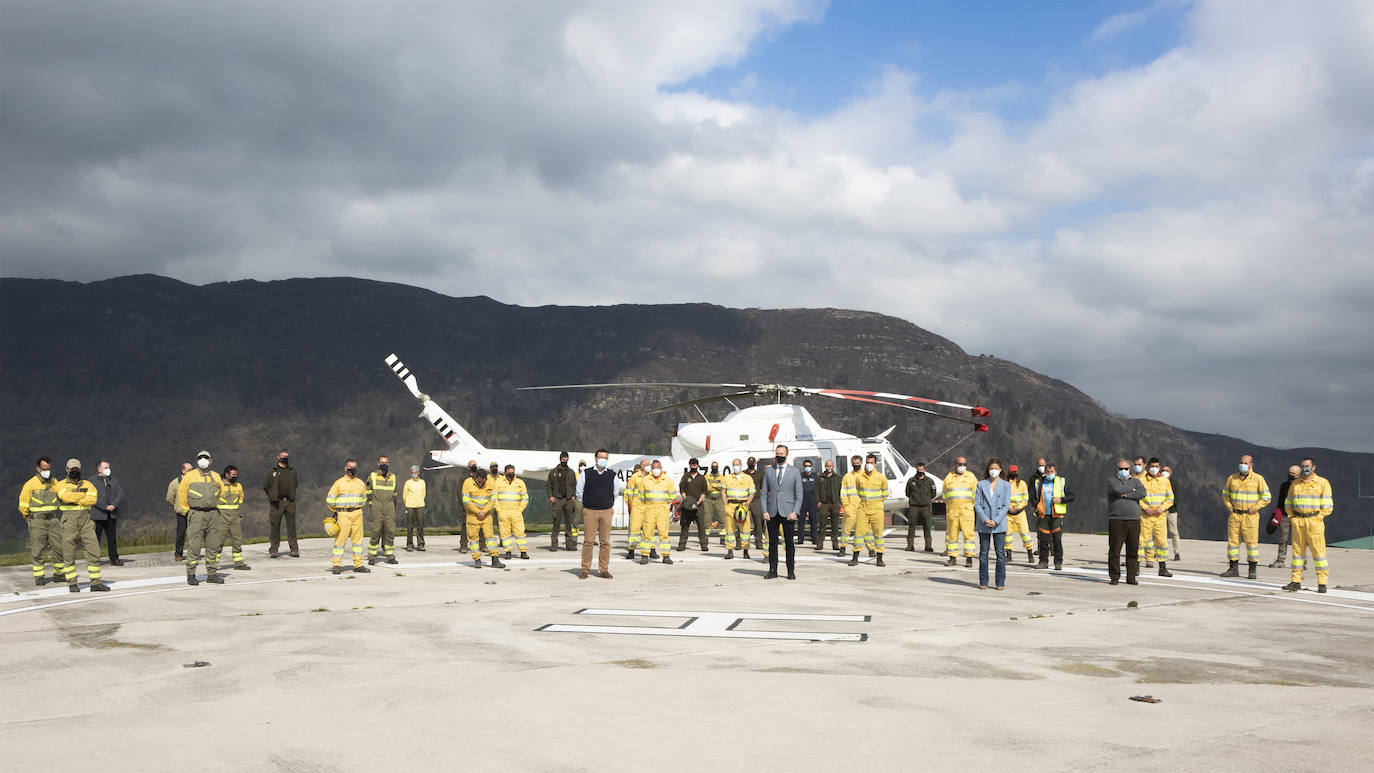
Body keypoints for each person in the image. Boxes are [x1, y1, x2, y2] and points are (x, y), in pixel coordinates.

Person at [57, 459, 108, 592]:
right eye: (72, 469)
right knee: (69, 552)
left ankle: (95, 583)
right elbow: (65, 497)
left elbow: (92, 499)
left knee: (94, 551)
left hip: (86, 520)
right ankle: (72, 583)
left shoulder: (88, 484)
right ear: (67, 469)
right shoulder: (60, 484)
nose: (74, 471)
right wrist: (81, 497)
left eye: (77, 469)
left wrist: (74, 497)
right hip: (69, 521)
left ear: (80, 470)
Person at [1284, 457, 1333, 593]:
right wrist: (1291, 516)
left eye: (1307, 466)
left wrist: (1319, 517)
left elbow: (1328, 504)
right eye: (1303, 466)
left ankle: (1322, 583)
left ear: (1314, 467)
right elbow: (1288, 503)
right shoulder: (1295, 484)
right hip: (1298, 521)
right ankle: (1296, 581)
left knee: (1318, 553)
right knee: (1297, 553)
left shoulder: (1322, 483)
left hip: (1314, 522)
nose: (1305, 468)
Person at [1219, 454, 1270, 579]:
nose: (1243, 465)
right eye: (1242, 462)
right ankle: (1233, 568)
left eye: (1246, 463)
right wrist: (1228, 505)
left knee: (1251, 543)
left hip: (1250, 516)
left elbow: (1266, 497)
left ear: (1251, 465)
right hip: (1235, 515)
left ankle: (1252, 569)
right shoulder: (1232, 478)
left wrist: (1256, 507)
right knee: (1233, 543)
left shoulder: (1258, 479)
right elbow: (1225, 495)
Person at [178, 451, 225, 586]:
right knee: (194, 545)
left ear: (211, 460)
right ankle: (191, 574)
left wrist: (218, 507)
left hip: (213, 514)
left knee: (213, 545)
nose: (203, 460)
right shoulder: (190, 476)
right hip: (196, 514)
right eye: (200, 458)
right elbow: (182, 493)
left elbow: (222, 492)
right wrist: (187, 510)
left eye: (206, 457)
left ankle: (212, 574)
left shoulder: (216, 476)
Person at [575, 450, 623, 579]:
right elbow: (579, 491)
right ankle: (585, 569)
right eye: (601, 457)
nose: (603, 460)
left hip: (606, 511)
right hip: (590, 511)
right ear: (595, 458)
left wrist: (607, 503)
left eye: (605, 458)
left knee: (605, 542)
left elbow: (615, 493)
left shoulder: (612, 475)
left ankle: (604, 570)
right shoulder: (586, 473)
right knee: (588, 541)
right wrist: (588, 503)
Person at [18, 456, 65, 586]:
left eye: (48, 469)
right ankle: (39, 576)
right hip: (37, 521)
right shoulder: (31, 484)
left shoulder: (54, 482)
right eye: (44, 469)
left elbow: (62, 495)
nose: (47, 471)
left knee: (58, 547)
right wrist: (28, 518)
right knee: (37, 549)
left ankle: (59, 574)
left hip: (53, 519)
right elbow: (23, 504)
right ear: (38, 469)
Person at [761, 444, 803, 579]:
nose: (779, 455)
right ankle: (773, 570)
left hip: (788, 512)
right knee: (772, 543)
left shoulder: (795, 471)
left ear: (787, 455)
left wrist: (795, 511)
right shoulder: (769, 471)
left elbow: (799, 494)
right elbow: (763, 493)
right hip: (772, 512)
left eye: (781, 453)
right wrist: (764, 510)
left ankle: (790, 570)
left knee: (789, 543)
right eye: (777, 453)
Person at [326, 459, 371, 575]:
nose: (353, 469)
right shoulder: (339, 483)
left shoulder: (360, 483)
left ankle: (358, 565)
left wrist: (356, 508)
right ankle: (336, 564)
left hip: (357, 513)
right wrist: (337, 511)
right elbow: (329, 500)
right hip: (343, 514)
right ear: (345, 468)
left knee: (358, 541)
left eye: (355, 467)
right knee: (340, 539)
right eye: (351, 467)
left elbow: (364, 500)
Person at [1107, 459, 1147, 585]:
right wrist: (1132, 491)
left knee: (1133, 550)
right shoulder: (1111, 480)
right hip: (1117, 519)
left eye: (1126, 469)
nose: (1123, 471)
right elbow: (1117, 489)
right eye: (1121, 468)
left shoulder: (1136, 481)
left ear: (1129, 469)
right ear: (1116, 469)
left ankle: (1131, 577)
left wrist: (1126, 494)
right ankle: (1114, 577)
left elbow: (1142, 492)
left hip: (1134, 519)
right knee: (1115, 550)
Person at [974, 458, 1011, 590]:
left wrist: (996, 520)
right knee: (983, 553)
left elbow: (1006, 505)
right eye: (991, 468)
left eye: (995, 468)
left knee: (1000, 553)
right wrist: (985, 519)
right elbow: (977, 503)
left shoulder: (1006, 485)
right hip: (983, 524)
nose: (993, 471)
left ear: (1000, 470)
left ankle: (1000, 582)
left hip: (999, 524)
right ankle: (983, 581)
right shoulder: (981, 484)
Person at [847, 453, 889, 567]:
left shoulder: (881, 477)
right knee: (859, 533)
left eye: (871, 463)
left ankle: (879, 558)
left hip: (877, 508)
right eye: (868, 462)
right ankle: (855, 557)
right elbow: (858, 490)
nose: (869, 465)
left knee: (878, 534)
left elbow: (885, 494)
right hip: (863, 508)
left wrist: (876, 502)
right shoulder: (859, 477)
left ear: (875, 464)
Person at [1034, 462, 1075, 570]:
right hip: (1043, 515)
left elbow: (1072, 496)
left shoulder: (1062, 482)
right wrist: (1037, 506)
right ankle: (1043, 561)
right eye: (1047, 472)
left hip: (1057, 515)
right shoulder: (1039, 483)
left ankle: (1058, 562)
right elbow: (1032, 497)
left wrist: (1061, 500)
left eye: (1051, 472)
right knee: (1043, 541)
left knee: (1057, 540)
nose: (1049, 473)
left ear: (1055, 472)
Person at [1139, 458, 1175, 577]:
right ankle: (1136, 566)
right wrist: (1145, 508)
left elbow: (1170, 498)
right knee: (1141, 541)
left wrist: (1162, 508)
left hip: (1160, 516)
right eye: (1152, 466)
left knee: (1162, 542)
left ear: (1159, 467)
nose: (1154, 468)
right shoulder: (1141, 480)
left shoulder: (1165, 481)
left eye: (1156, 466)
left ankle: (1162, 567)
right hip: (1146, 516)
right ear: (1148, 467)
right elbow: (1137, 497)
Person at [462, 467, 503, 568]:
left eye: (484, 480)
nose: (482, 482)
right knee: (473, 539)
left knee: (490, 538)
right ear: (476, 478)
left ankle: (495, 559)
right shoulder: (467, 483)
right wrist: (477, 512)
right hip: (472, 516)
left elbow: (493, 499)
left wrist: (484, 511)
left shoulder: (491, 482)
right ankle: (477, 559)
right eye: (480, 480)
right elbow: (466, 501)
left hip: (486, 515)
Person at [637, 460, 676, 565]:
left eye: (657, 467)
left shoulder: (668, 481)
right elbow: (641, 496)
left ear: (661, 468)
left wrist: (664, 503)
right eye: (654, 467)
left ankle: (666, 556)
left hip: (663, 510)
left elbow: (672, 495)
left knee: (663, 534)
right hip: (649, 509)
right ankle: (644, 555)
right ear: (651, 468)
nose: (656, 470)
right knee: (646, 533)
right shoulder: (645, 480)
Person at [262, 449, 299, 558]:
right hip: (276, 503)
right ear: (278, 457)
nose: (285, 459)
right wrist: (272, 496)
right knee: (275, 526)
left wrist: (291, 494)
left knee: (292, 527)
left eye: (286, 456)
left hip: (290, 502)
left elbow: (295, 484)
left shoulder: (292, 471)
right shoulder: (273, 471)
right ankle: (273, 550)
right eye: (283, 456)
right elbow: (265, 486)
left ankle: (294, 549)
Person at [942, 456, 978, 568]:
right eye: (960, 464)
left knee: (968, 535)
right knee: (952, 536)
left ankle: (969, 558)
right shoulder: (949, 478)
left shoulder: (971, 477)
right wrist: (950, 508)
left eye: (964, 464)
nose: (962, 466)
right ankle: (952, 558)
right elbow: (945, 496)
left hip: (967, 512)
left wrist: (971, 507)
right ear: (955, 464)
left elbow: (977, 494)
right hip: (953, 512)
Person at [214, 465, 251, 571]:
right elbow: (214, 499)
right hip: (222, 518)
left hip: (235, 517)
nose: (235, 476)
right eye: (233, 475)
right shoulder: (219, 485)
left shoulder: (238, 486)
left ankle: (238, 563)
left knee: (237, 540)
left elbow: (241, 499)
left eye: (236, 475)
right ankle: (213, 565)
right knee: (219, 541)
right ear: (226, 474)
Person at [90, 459, 126, 566]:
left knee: (112, 538)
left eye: (108, 467)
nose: (108, 470)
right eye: (105, 468)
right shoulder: (91, 481)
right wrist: (105, 506)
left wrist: (113, 505)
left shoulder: (113, 480)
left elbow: (120, 493)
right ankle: (94, 560)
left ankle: (114, 558)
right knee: (95, 538)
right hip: (98, 515)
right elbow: (92, 497)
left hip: (112, 514)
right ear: (99, 469)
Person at [365, 456, 399, 566]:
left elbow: (395, 494)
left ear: (388, 463)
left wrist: (393, 507)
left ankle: (390, 556)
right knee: (375, 532)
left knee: (390, 532)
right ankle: (371, 556)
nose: (384, 464)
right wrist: (372, 505)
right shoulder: (373, 476)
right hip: (377, 506)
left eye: (386, 462)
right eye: (381, 462)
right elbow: (368, 492)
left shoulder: (393, 477)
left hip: (389, 507)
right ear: (378, 464)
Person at [721, 458, 755, 560]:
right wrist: (725, 504)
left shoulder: (748, 478)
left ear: (741, 465)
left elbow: (752, 492)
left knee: (745, 530)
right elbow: (723, 491)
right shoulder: (727, 477)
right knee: (730, 530)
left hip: (742, 505)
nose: (735, 466)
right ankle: (730, 551)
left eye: (737, 464)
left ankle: (746, 551)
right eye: (733, 464)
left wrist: (747, 504)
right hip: (731, 505)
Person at [494, 464, 530, 559]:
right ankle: (508, 551)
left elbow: (525, 497)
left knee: (520, 533)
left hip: (516, 512)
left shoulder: (520, 482)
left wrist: (520, 509)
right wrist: (499, 510)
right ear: (505, 472)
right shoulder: (498, 482)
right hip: (503, 512)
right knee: (505, 534)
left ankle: (523, 551)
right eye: (509, 472)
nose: (511, 474)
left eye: (513, 472)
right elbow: (494, 498)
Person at [1268, 465, 1300, 568]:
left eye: (1293, 474)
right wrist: (1278, 514)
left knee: (1299, 541)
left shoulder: (1303, 486)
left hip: (1298, 517)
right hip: (1285, 516)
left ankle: (1301, 562)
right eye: (1289, 473)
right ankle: (1280, 560)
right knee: (1283, 539)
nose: (1290, 475)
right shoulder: (1284, 485)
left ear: (1299, 475)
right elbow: (1280, 502)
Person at [547, 451, 578, 551]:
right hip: (558, 500)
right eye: (563, 458)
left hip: (568, 499)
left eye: (566, 458)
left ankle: (569, 545)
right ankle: (554, 544)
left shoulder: (571, 472)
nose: (564, 459)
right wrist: (550, 496)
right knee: (556, 522)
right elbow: (549, 485)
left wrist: (573, 495)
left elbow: (574, 485)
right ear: (560, 458)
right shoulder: (553, 472)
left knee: (569, 523)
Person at [1004, 464, 1034, 563]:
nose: (1013, 474)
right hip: (1008, 513)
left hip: (1020, 513)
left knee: (1025, 533)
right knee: (1007, 535)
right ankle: (1008, 554)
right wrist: (1008, 507)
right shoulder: (1005, 484)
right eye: (1012, 472)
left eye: (1015, 472)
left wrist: (1018, 507)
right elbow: (1002, 498)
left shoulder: (1022, 484)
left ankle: (1030, 553)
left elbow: (1025, 499)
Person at [677, 459, 709, 552]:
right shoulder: (685, 476)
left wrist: (699, 501)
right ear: (689, 465)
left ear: (697, 466)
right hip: (687, 505)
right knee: (685, 525)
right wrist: (686, 500)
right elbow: (682, 489)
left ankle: (704, 544)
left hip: (699, 505)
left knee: (701, 526)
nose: (693, 466)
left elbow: (704, 491)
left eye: (695, 465)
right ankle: (682, 544)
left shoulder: (701, 477)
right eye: (692, 465)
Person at [905, 461, 937, 552]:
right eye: (918, 470)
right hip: (914, 506)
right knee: (911, 525)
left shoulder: (929, 481)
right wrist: (914, 499)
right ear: (916, 470)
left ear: (924, 469)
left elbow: (933, 493)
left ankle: (928, 546)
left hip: (925, 506)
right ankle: (910, 545)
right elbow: (907, 492)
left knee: (927, 526)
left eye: (921, 470)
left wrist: (926, 499)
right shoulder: (911, 480)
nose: (920, 471)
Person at [815, 459, 844, 552]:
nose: (829, 467)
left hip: (835, 503)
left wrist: (839, 502)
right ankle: (820, 543)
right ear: (825, 466)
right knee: (822, 524)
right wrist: (818, 501)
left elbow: (841, 490)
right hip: (824, 503)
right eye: (827, 465)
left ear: (833, 466)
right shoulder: (820, 477)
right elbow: (816, 490)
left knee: (835, 524)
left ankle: (835, 543)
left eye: (830, 465)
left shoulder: (838, 477)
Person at [624, 458, 649, 559]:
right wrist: (630, 504)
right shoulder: (635, 477)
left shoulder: (652, 477)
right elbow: (629, 491)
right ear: (642, 465)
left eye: (649, 464)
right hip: (637, 507)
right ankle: (631, 550)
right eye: (647, 464)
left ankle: (651, 550)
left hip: (648, 507)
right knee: (634, 530)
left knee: (648, 530)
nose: (649, 466)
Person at [838, 455, 863, 557]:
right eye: (854, 463)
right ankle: (843, 548)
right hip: (850, 507)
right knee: (846, 530)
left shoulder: (865, 475)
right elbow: (843, 492)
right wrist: (846, 505)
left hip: (862, 507)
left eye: (858, 463)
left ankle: (871, 548)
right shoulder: (847, 476)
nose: (856, 465)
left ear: (861, 463)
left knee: (865, 530)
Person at [167, 461, 191, 561]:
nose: (191, 471)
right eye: (189, 470)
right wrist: (177, 506)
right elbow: (169, 498)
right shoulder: (174, 483)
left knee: (193, 535)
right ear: (183, 470)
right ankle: (178, 554)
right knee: (180, 534)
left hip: (193, 512)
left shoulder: (194, 482)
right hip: (181, 513)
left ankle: (192, 555)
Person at [403, 465, 427, 552]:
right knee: (410, 527)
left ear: (418, 472)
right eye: (412, 473)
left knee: (420, 526)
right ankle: (409, 544)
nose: (414, 474)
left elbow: (424, 493)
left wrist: (420, 501)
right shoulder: (408, 483)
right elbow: (404, 495)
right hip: (410, 506)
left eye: (415, 472)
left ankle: (420, 544)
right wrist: (407, 504)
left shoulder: (422, 482)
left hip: (420, 506)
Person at [703, 461, 726, 547]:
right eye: (713, 466)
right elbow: (707, 487)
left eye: (716, 466)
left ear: (718, 467)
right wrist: (717, 485)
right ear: (711, 467)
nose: (714, 468)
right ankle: (706, 537)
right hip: (708, 499)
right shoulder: (706, 477)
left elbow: (723, 486)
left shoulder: (722, 477)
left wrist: (712, 485)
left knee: (722, 518)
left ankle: (722, 537)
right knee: (707, 518)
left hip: (719, 499)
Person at [1162, 464, 1182, 561]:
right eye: (1163, 470)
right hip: (1160, 511)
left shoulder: (1174, 482)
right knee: (1159, 532)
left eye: (1166, 470)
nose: (1164, 472)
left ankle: (1177, 552)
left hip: (1171, 511)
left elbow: (1176, 498)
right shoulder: (1159, 482)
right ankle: (1155, 551)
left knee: (1174, 532)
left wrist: (1168, 506)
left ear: (1170, 472)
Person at [746, 457, 766, 551]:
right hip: (745, 499)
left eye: (752, 463)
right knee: (742, 521)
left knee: (758, 522)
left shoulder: (760, 474)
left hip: (756, 500)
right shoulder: (744, 474)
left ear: (755, 464)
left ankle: (759, 542)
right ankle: (740, 541)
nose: (751, 464)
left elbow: (762, 487)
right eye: (749, 462)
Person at [798, 460, 818, 546]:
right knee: (801, 520)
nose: (807, 467)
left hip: (812, 500)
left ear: (811, 466)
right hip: (802, 500)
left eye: (809, 466)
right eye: (806, 465)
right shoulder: (800, 476)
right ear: (803, 466)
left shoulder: (815, 476)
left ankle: (814, 538)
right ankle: (800, 539)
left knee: (813, 520)